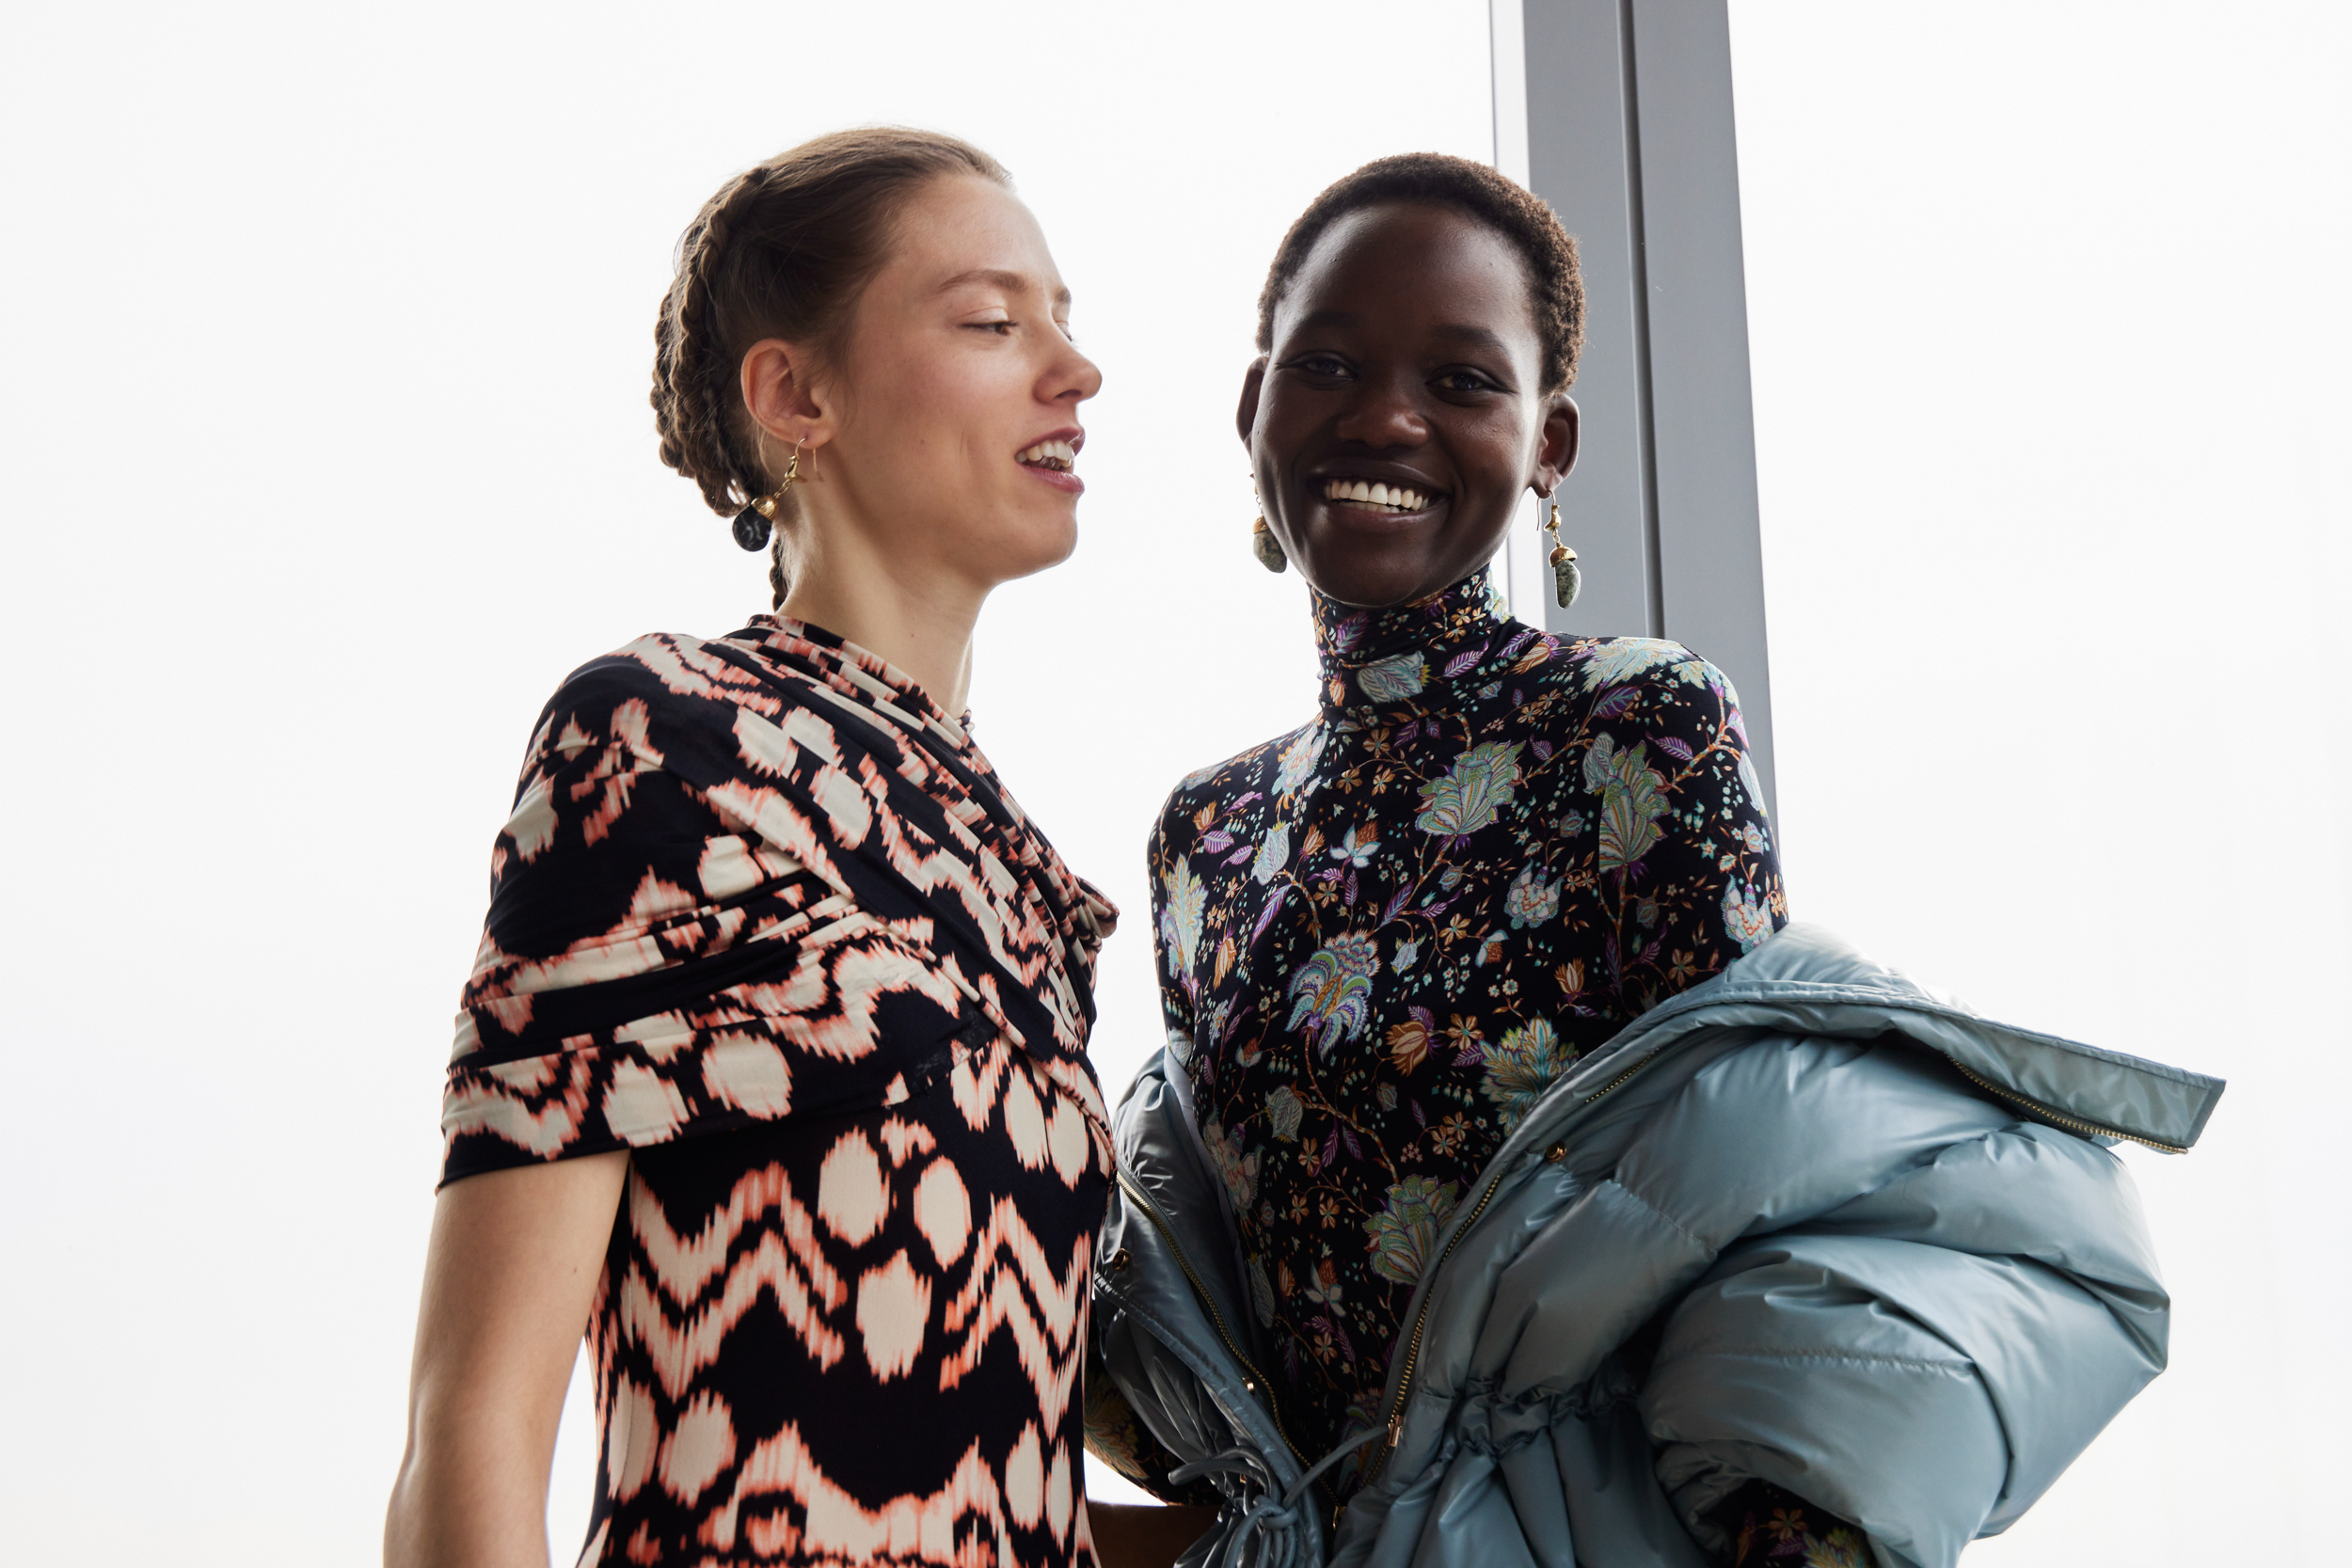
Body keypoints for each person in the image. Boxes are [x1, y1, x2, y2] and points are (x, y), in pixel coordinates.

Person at [1084, 154, 2215, 1568]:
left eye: (1461, 380)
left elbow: (1768, 1169)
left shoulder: (1640, 722)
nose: (1385, 415)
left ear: (1548, 444)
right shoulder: (1208, 832)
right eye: (1329, 362)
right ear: (1253, 407)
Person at [385, 128, 1190, 1568]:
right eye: (995, 321)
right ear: (795, 393)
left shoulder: (1021, 873)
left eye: (1068, 323)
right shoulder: (665, 741)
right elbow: (476, 1429)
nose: (1075, 372)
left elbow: (992, 1474)